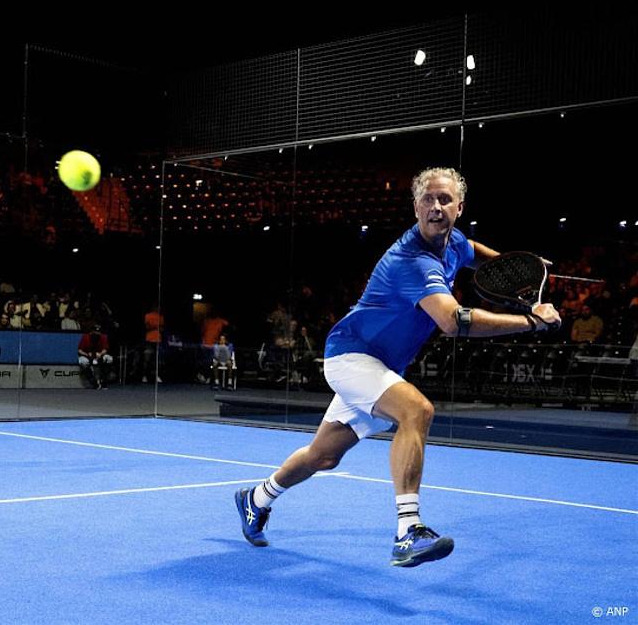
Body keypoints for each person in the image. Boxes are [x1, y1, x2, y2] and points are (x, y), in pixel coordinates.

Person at [234, 167, 561, 567]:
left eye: (445, 200)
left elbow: (474, 252)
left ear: (460, 207)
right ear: (415, 206)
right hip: (351, 356)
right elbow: (452, 321)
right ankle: (408, 530)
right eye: (428, 199)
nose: (436, 207)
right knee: (417, 410)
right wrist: (531, 321)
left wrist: (521, 267)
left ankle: (256, 499)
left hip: (381, 366)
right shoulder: (412, 260)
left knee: (324, 456)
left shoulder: (454, 241)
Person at [78, 324, 113, 389]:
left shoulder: (103, 337)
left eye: (98, 332)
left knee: (109, 359)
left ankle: (103, 381)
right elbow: (80, 350)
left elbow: (105, 349)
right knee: (82, 361)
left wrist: (100, 354)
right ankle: (93, 382)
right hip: (87, 355)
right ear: (91, 332)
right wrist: (87, 354)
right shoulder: (85, 337)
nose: (97, 333)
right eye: (95, 332)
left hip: (99, 355)